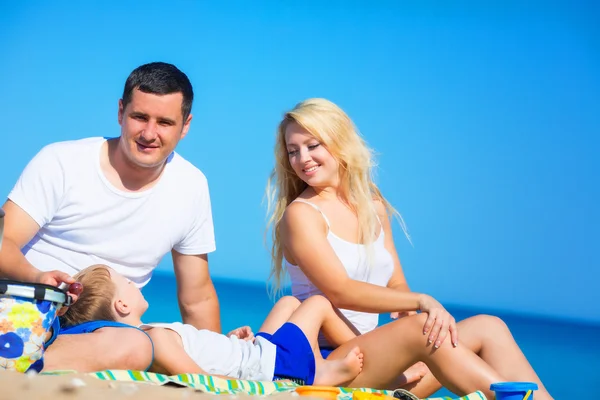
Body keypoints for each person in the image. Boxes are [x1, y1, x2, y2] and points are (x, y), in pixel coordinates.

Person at [265, 98, 553, 399]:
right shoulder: (302, 214)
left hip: (378, 356)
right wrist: (420, 304)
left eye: (313, 145)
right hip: (330, 363)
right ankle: (507, 398)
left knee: (488, 327)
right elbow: (339, 290)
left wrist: (403, 322)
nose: (303, 159)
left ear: (339, 141)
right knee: (420, 328)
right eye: (293, 151)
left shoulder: (373, 209)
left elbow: (396, 284)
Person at [0, 62, 219, 372]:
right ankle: (20, 356)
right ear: (121, 112)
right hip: (27, 309)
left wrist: (214, 352)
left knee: (140, 345)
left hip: (105, 334)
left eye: (165, 122)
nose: (149, 133)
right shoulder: (63, 162)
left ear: (185, 125)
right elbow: (3, 241)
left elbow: (197, 298)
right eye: (139, 117)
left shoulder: (192, 186)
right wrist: (36, 276)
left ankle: (21, 361)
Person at [63, 264, 364, 386]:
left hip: (253, 354)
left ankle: (316, 358)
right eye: (126, 282)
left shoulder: (149, 333)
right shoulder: (154, 337)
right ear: (122, 306)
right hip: (270, 366)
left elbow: (199, 352)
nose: (133, 282)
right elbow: (203, 379)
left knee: (288, 304)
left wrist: (228, 341)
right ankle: (325, 369)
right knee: (318, 304)